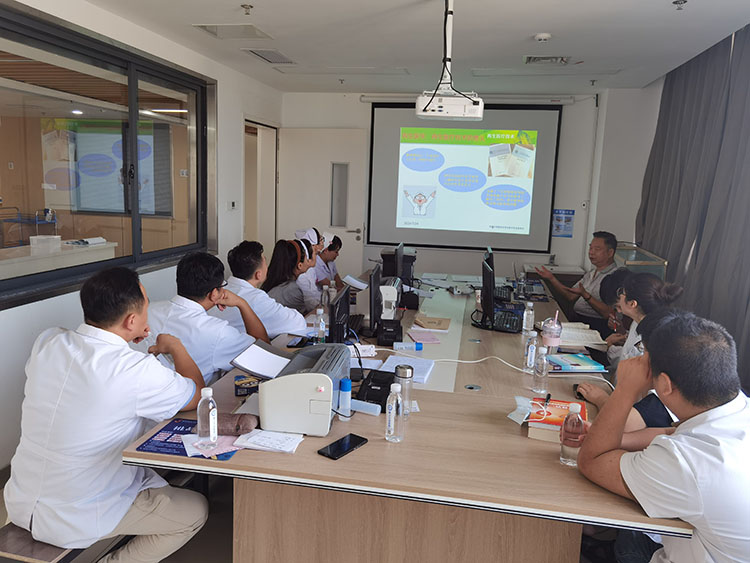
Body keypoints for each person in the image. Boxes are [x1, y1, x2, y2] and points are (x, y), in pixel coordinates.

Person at [3, 267, 208, 561]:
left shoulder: (48, 342)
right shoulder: (135, 370)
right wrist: (175, 347)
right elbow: (198, 394)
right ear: (132, 320)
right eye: (146, 307)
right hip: (78, 513)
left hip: (19, 499)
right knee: (195, 510)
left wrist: (126, 341)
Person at [578, 309, 750, 563]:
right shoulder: (736, 409)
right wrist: (618, 440)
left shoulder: (687, 462)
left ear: (665, 385)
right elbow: (674, 431)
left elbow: (591, 461)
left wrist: (625, 389)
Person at [578, 273, 684, 430]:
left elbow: (624, 423)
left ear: (633, 303)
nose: (619, 296)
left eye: (622, 292)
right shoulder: (643, 324)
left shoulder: (661, 400)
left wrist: (601, 398)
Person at [146, 252, 269, 384]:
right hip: (194, 395)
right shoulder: (217, 332)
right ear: (214, 293)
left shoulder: (148, 310)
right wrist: (242, 303)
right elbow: (264, 353)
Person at [210, 240, 307, 339]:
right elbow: (297, 323)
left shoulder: (218, 291)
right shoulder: (257, 298)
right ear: (258, 275)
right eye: (265, 262)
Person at [536, 231, 618, 336]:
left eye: (597, 249)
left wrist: (586, 295)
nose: (591, 252)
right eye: (590, 248)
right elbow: (570, 295)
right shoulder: (591, 273)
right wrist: (552, 278)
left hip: (595, 326)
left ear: (610, 253)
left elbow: (608, 313)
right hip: (577, 321)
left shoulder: (615, 276)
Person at [262, 239, 315, 314]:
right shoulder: (293, 290)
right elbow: (303, 318)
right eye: (307, 259)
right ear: (300, 265)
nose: (309, 261)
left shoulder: (275, 283)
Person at [295, 227, 325, 311]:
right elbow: (309, 302)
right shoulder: (302, 274)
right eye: (316, 253)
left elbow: (314, 293)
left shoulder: (311, 269)